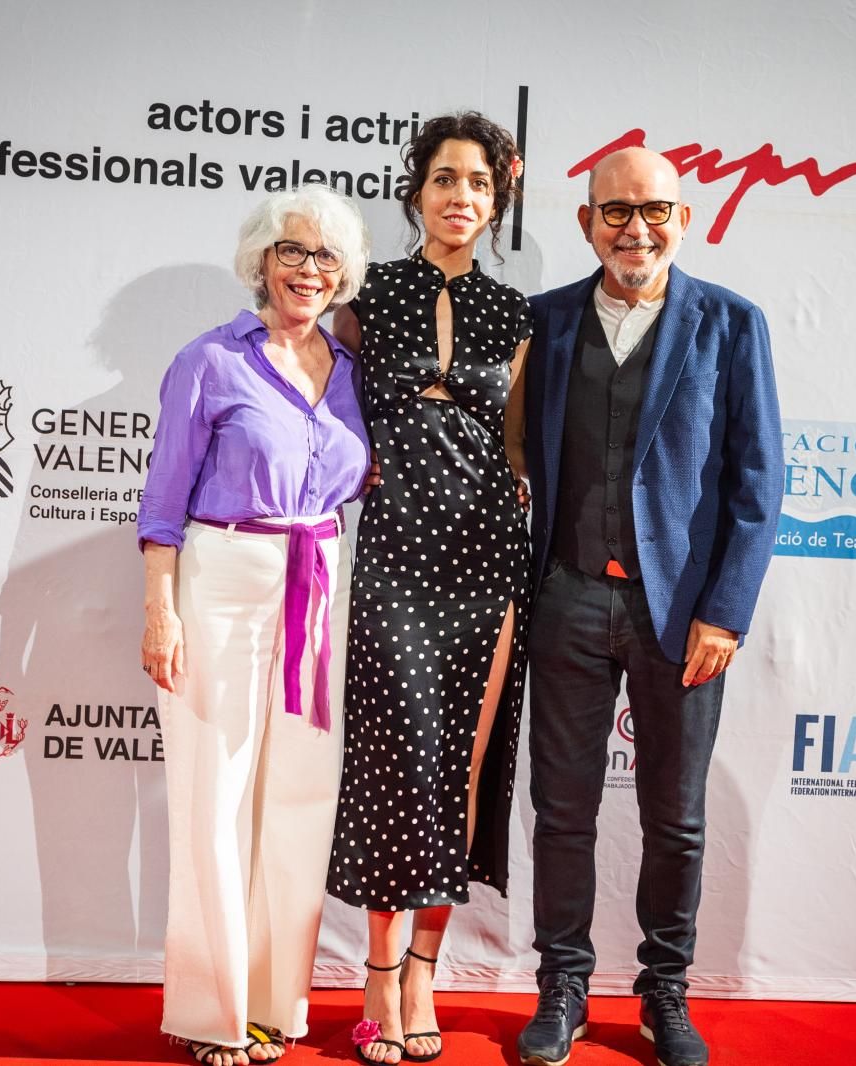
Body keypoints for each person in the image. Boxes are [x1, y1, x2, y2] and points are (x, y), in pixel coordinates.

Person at [516, 147, 782, 1066]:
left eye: (655, 209)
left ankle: (665, 993)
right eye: (617, 210)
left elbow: (759, 479)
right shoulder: (544, 324)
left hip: (683, 620)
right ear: (586, 222)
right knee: (563, 812)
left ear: (685, 216)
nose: (638, 227)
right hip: (568, 601)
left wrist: (727, 611)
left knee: (677, 817)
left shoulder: (730, 323)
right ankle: (563, 987)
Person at [138, 184, 371, 1066]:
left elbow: (355, 476)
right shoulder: (208, 360)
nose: (308, 270)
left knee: (301, 799)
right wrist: (161, 610)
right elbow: (161, 507)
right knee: (216, 796)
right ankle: (211, 1012)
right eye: (292, 252)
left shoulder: (347, 373)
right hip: (224, 579)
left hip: (318, 579)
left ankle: (275, 1001)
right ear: (262, 262)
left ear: (342, 272)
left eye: (325, 257)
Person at [326, 112, 532, 1066]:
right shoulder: (364, 297)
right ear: (416, 192)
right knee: (393, 755)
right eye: (446, 179)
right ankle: (374, 972)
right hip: (398, 550)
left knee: (461, 767)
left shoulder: (517, 314)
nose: (462, 197)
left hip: (488, 554)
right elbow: (326, 421)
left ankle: (424, 969)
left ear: (498, 201)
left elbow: (519, 448)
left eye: (480, 184)